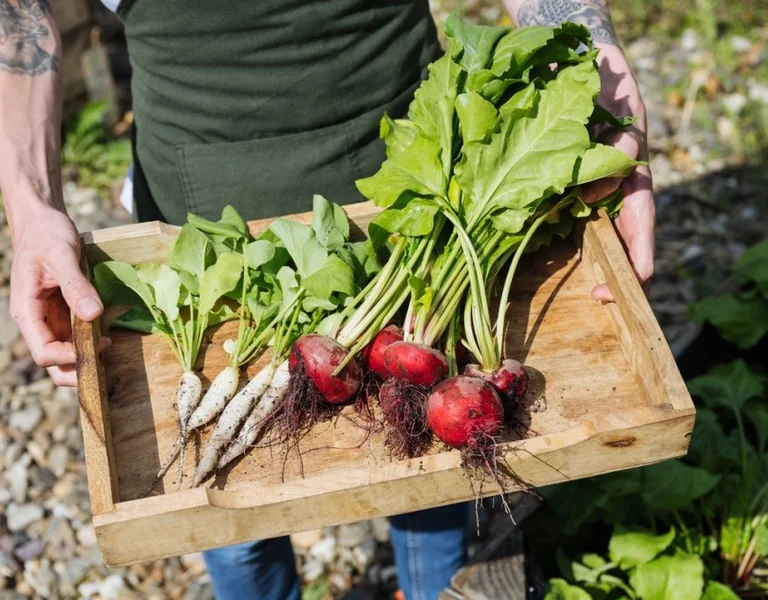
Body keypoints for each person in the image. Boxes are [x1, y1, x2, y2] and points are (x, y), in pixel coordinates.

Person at [0, 1, 654, 598]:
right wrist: (30, 205)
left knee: (432, 475)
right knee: (220, 499)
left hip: (413, 155)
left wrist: (595, 68)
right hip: (201, 193)